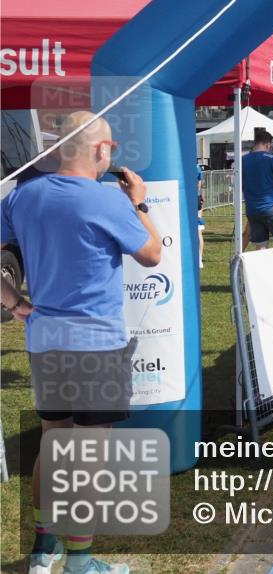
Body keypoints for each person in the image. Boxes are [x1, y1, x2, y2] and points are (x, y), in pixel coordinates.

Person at [1, 111, 161, 574]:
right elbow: (152, 254)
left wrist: (14, 304)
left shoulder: (23, 196)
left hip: (45, 340)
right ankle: (80, 561)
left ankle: (43, 549)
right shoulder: (108, 201)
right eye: (110, 148)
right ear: (98, 150)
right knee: (89, 454)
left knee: (55, 444)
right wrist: (140, 204)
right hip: (95, 344)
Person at [242, 129, 273, 251]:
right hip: (271, 207)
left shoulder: (244, 159)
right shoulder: (271, 158)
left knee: (261, 245)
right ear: (268, 144)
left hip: (252, 209)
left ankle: (260, 270)